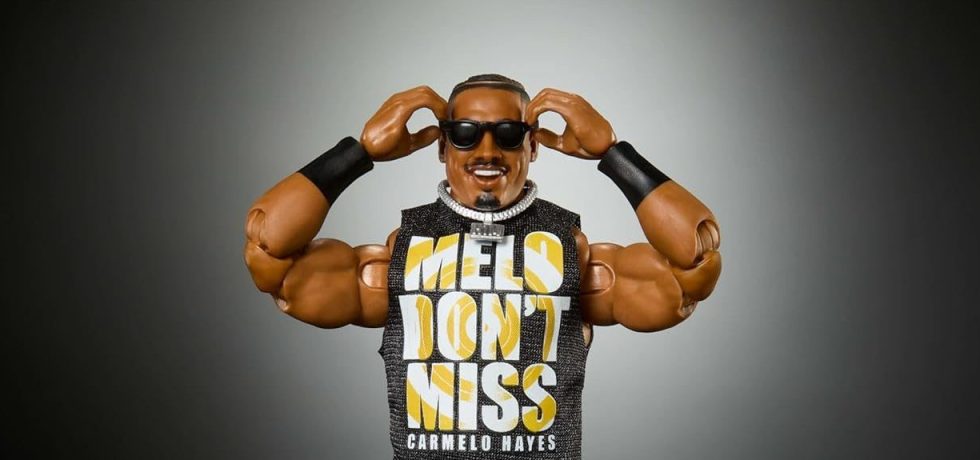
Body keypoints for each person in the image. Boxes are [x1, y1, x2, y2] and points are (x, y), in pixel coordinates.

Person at [244, 74, 722, 459]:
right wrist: (358, 152)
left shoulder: (571, 252)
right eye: (465, 134)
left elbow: (693, 267)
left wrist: (614, 154)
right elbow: (271, 256)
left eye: (509, 135)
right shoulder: (402, 253)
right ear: (442, 147)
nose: (487, 152)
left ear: (533, 147)